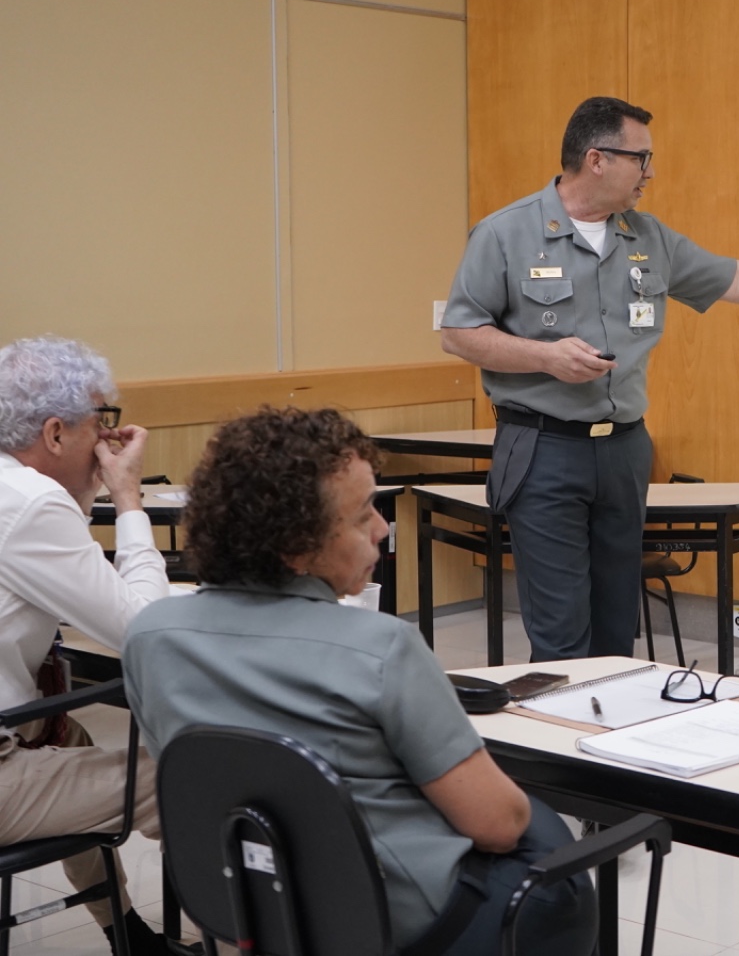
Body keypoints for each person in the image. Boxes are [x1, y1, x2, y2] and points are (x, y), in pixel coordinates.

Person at [440, 95, 739, 661]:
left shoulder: (648, 237)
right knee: (561, 631)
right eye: (642, 158)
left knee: (617, 624)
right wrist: (544, 357)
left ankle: (610, 743)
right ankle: (556, 745)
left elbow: (735, 278)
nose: (650, 173)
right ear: (597, 159)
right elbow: (459, 334)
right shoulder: (504, 234)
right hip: (542, 448)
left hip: (624, 451)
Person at [123, 408, 594, 955]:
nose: (383, 527)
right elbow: (498, 827)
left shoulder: (150, 636)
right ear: (295, 547)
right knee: (536, 824)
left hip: (245, 904)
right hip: (403, 922)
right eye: (363, 513)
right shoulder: (380, 647)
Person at [0, 336, 188, 956]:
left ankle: (129, 936)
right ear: (55, 433)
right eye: (101, 422)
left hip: (15, 725)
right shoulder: (31, 503)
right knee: (192, 776)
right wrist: (128, 497)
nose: (109, 442)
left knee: (69, 736)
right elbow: (147, 631)